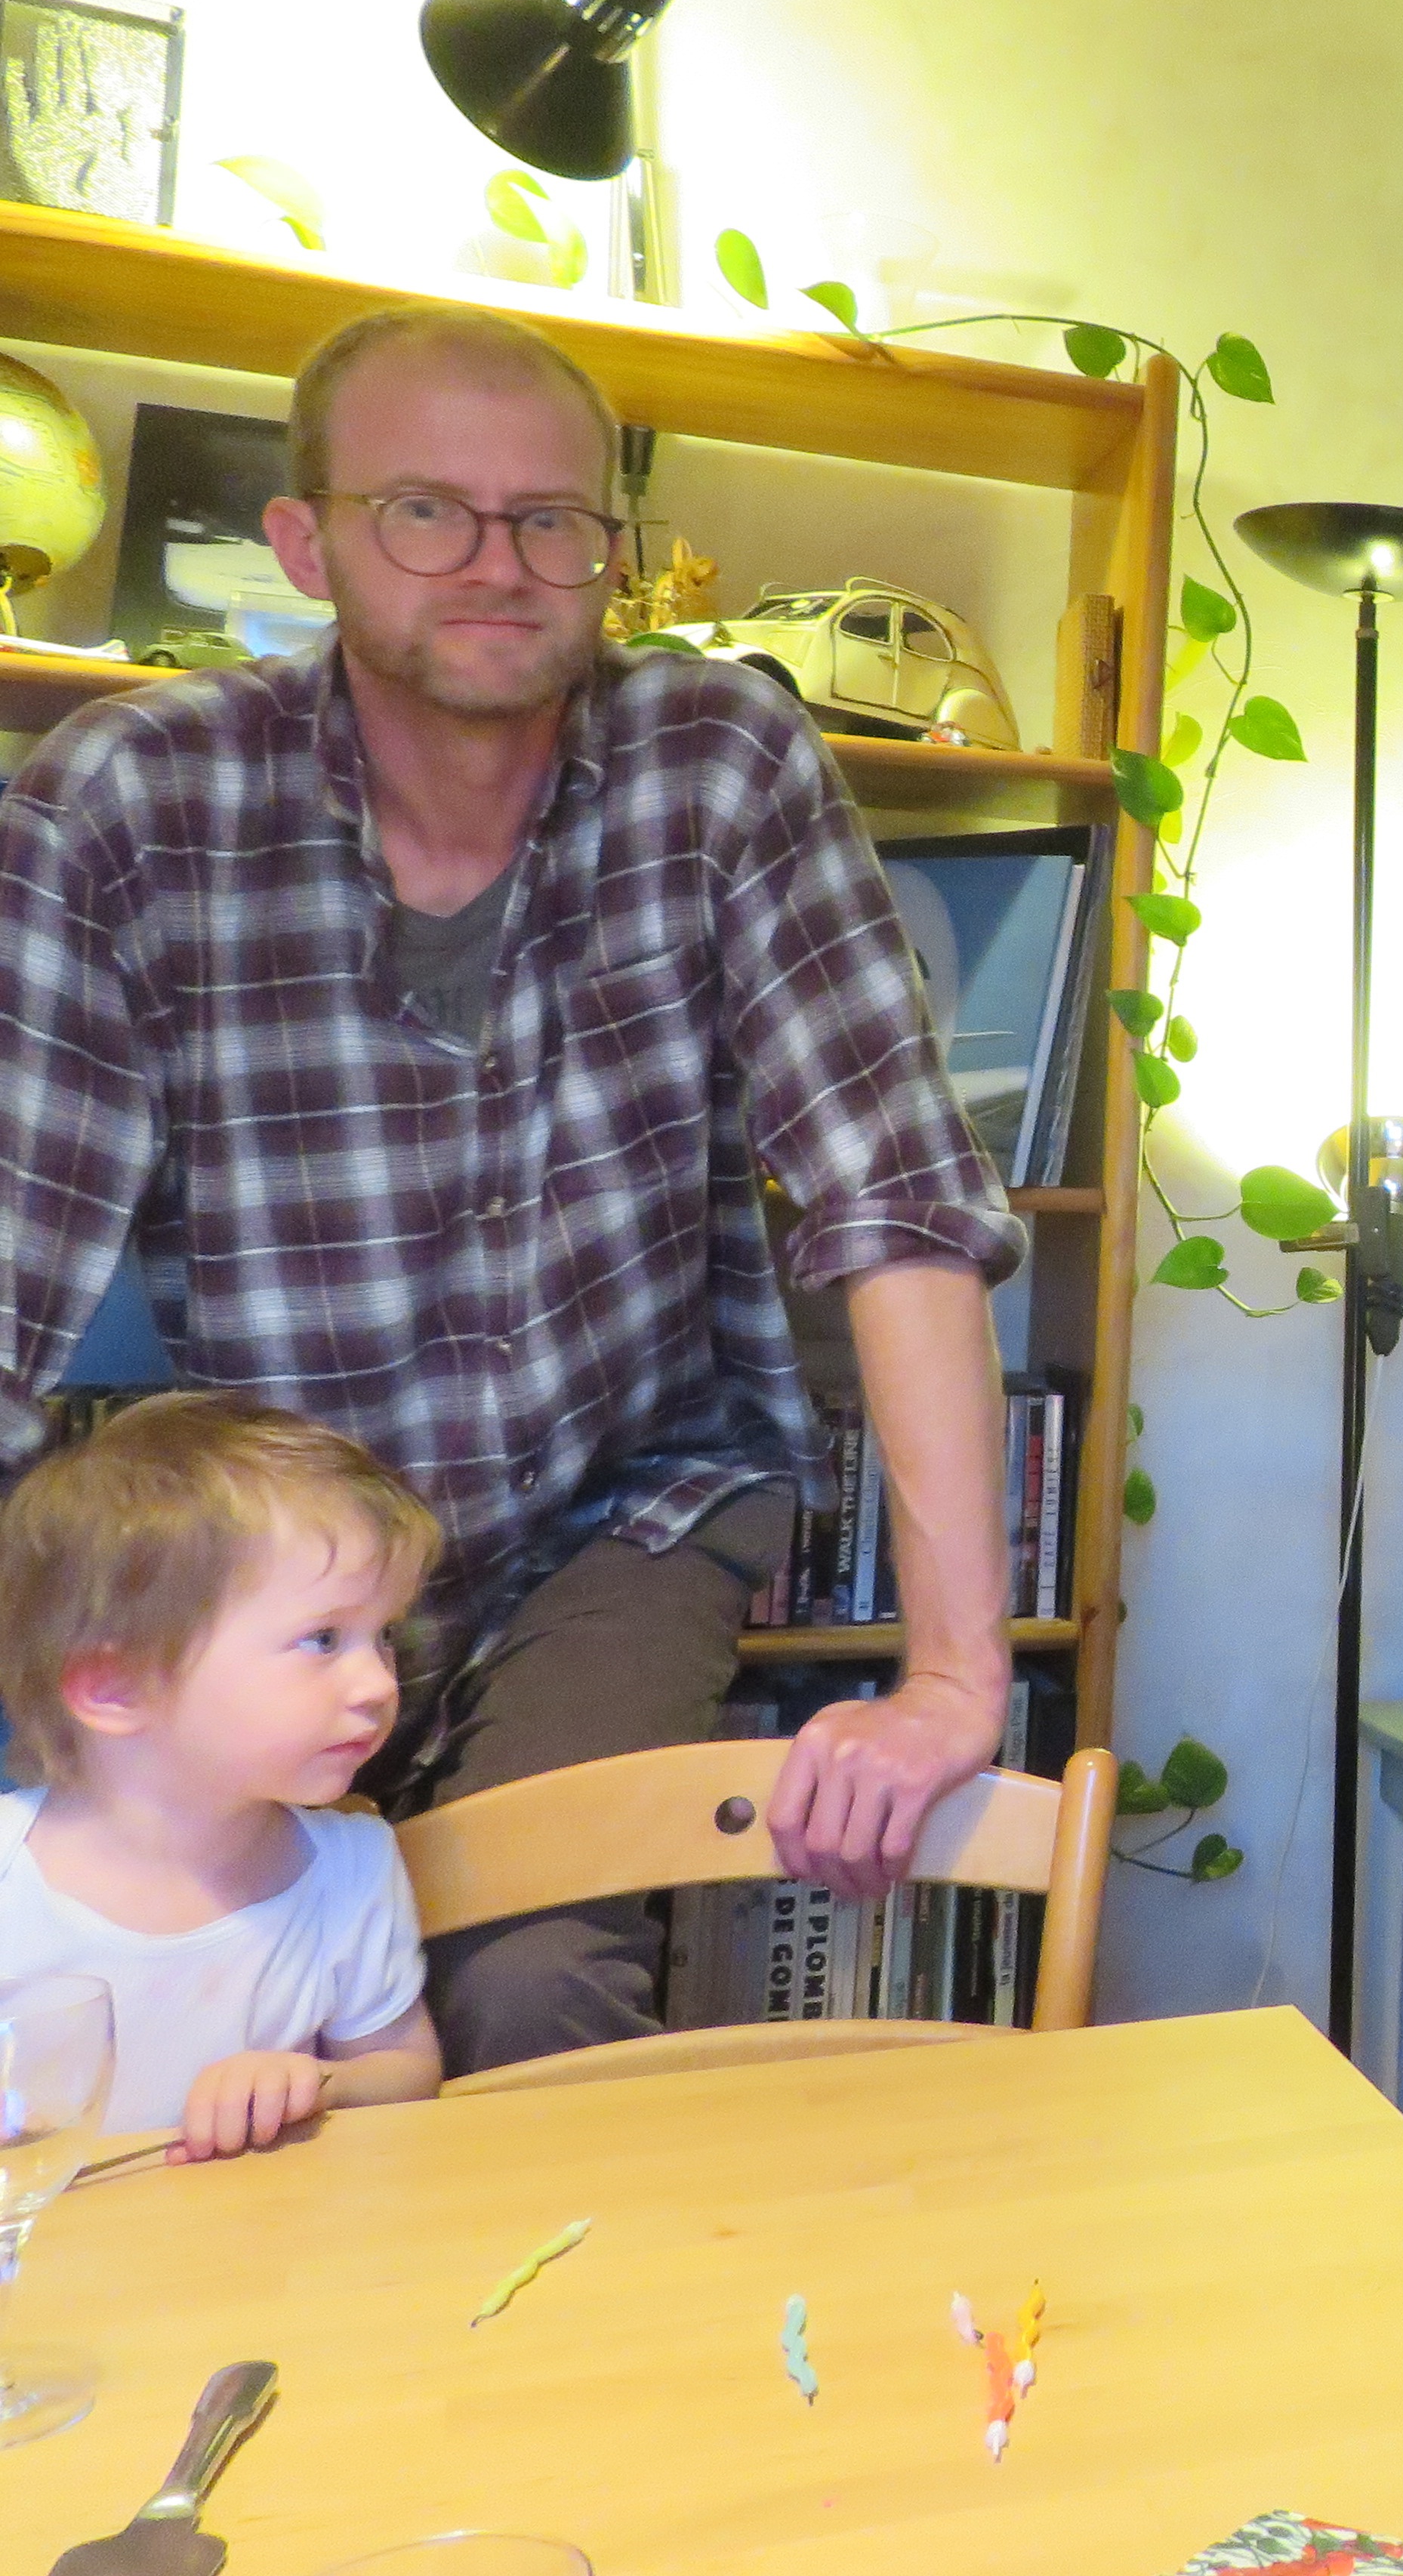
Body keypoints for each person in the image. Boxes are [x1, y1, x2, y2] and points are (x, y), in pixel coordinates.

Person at [0, 303, 1024, 2072]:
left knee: (531, 1979)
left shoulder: (722, 761)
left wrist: (950, 1680)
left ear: (609, 554)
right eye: (427, 511)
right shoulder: (126, 802)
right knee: (151, 1978)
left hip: (629, 1503)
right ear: (307, 540)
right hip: (274, 1540)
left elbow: (902, 1205)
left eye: (551, 519)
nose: (498, 563)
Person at [0, 1393, 442, 2155]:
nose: (377, 1684)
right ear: (116, 1687)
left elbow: (408, 2071)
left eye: (384, 1637)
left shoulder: (351, 1869)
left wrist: (317, 2081)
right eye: (323, 1639)